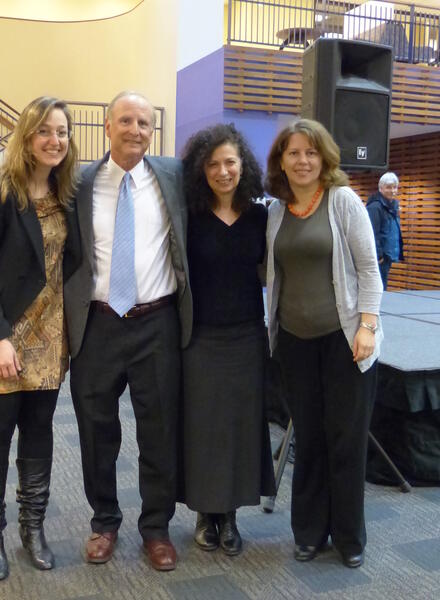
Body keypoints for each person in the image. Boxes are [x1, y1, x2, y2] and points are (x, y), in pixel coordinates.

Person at [63, 91, 192, 571]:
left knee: (159, 430)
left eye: (144, 123)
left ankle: (156, 528)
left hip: (156, 323)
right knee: (96, 430)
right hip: (97, 323)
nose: (135, 130)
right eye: (126, 120)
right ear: (107, 124)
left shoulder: (173, 175)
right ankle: (104, 522)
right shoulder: (79, 182)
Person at [0, 96, 78, 580]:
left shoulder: (67, 193)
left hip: (48, 332)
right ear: (26, 137)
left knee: (39, 429)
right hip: (1, 328)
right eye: (44, 131)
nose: (54, 140)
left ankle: (33, 528)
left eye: (62, 132)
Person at [264, 118, 383, 569]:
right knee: (309, 439)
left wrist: (367, 325)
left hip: (345, 341)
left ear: (324, 157)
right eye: (293, 153)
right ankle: (309, 533)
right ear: (281, 160)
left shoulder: (342, 201)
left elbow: (369, 270)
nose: (303, 161)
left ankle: (349, 537)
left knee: (345, 440)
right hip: (295, 343)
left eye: (311, 152)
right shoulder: (276, 212)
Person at [180, 124, 275, 556]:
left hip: (246, 336)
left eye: (230, 162)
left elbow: (271, 271)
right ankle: (205, 513)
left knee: (240, 427)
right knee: (203, 427)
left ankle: (231, 515)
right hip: (200, 337)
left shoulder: (260, 217)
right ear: (202, 169)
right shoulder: (190, 215)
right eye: (213, 164)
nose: (222, 171)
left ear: (243, 166)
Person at [366, 172, 404, 290]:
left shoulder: (392, 206)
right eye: (388, 187)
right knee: (378, 289)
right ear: (381, 188)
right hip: (380, 256)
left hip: (388, 255)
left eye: (395, 187)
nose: (392, 191)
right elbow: (372, 233)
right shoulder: (375, 207)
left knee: (383, 286)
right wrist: (378, 255)